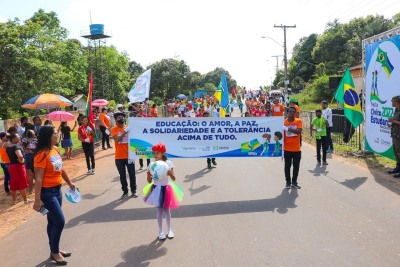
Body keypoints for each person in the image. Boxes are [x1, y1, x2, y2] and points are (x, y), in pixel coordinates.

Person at [33, 125, 75, 265]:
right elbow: (38, 178)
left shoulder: (55, 150)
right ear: (48, 137)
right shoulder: (41, 155)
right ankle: (55, 252)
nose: (57, 135)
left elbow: (61, 169)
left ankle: (54, 250)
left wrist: (69, 183)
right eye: (55, 134)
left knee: (52, 221)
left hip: (57, 190)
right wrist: (37, 199)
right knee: (60, 221)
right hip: (47, 193)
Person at [144, 142, 182, 240]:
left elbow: (174, 178)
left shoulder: (168, 163)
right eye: (154, 153)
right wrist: (148, 176)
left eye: (157, 153)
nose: (155, 155)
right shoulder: (152, 165)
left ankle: (169, 230)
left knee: (167, 210)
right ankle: (160, 231)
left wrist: (170, 174)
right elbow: (149, 181)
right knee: (159, 211)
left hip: (166, 189)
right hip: (156, 189)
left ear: (163, 153)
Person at [111, 112, 137, 199]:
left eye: (122, 117)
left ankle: (134, 191)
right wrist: (124, 132)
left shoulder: (128, 128)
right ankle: (125, 191)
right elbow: (117, 139)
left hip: (130, 156)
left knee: (132, 174)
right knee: (122, 175)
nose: (121, 119)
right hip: (119, 157)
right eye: (119, 118)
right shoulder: (114, 129)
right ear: (115, 120)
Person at [282, 106, 303, 189]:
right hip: (287, 149)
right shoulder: (283, 122)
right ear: (287, 113)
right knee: (287, 166)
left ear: (295, 113)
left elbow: (299, 131)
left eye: (293, 112)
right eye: (290, 111)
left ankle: (294, 182)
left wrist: (288, 129)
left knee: (296, 166)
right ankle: (288, 182)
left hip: (296, 149)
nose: (291, 113)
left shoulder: (298, 121)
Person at [6, 133, 30, 204]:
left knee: (13, 183)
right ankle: (25, 200)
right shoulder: (16, 146)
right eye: (18, 137)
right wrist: (22, 161)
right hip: (18, 167)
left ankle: (14, 201)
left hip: (11, 166)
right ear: (13, 139)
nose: (19, 137)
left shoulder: (9, 147)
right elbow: (20, 156)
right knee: (21, 183)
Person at [21, 129, 38, 193]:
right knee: (37, 173)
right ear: (33, 134)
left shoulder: (23, 140)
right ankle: (38, 187)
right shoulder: (36, 140)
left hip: (27, 157)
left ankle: (31, 189)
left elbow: (23, 147)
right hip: (35, 157)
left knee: (30, 174)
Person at [388, 95, 400, 178]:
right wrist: (392, 123)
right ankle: (398, 168)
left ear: (396, 101)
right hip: (395, 134)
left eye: (392, 101)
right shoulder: (396, 109)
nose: (392, 102)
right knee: (396, 152)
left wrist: (393, 121)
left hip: (399, 135)